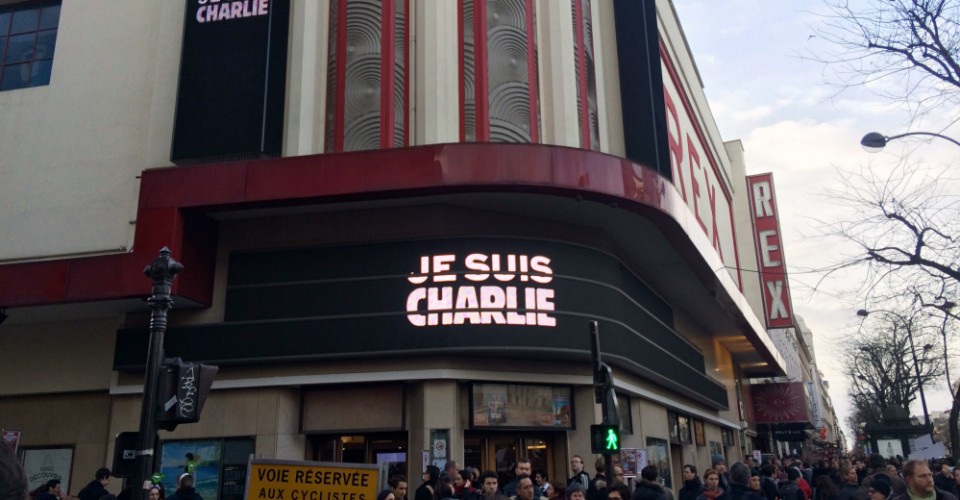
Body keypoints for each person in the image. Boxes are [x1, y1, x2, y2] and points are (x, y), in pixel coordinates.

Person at [889, 460, 958, 500]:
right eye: (923, 476)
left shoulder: (947, 497)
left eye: (930, 475)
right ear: (909, 479)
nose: (930, 480)